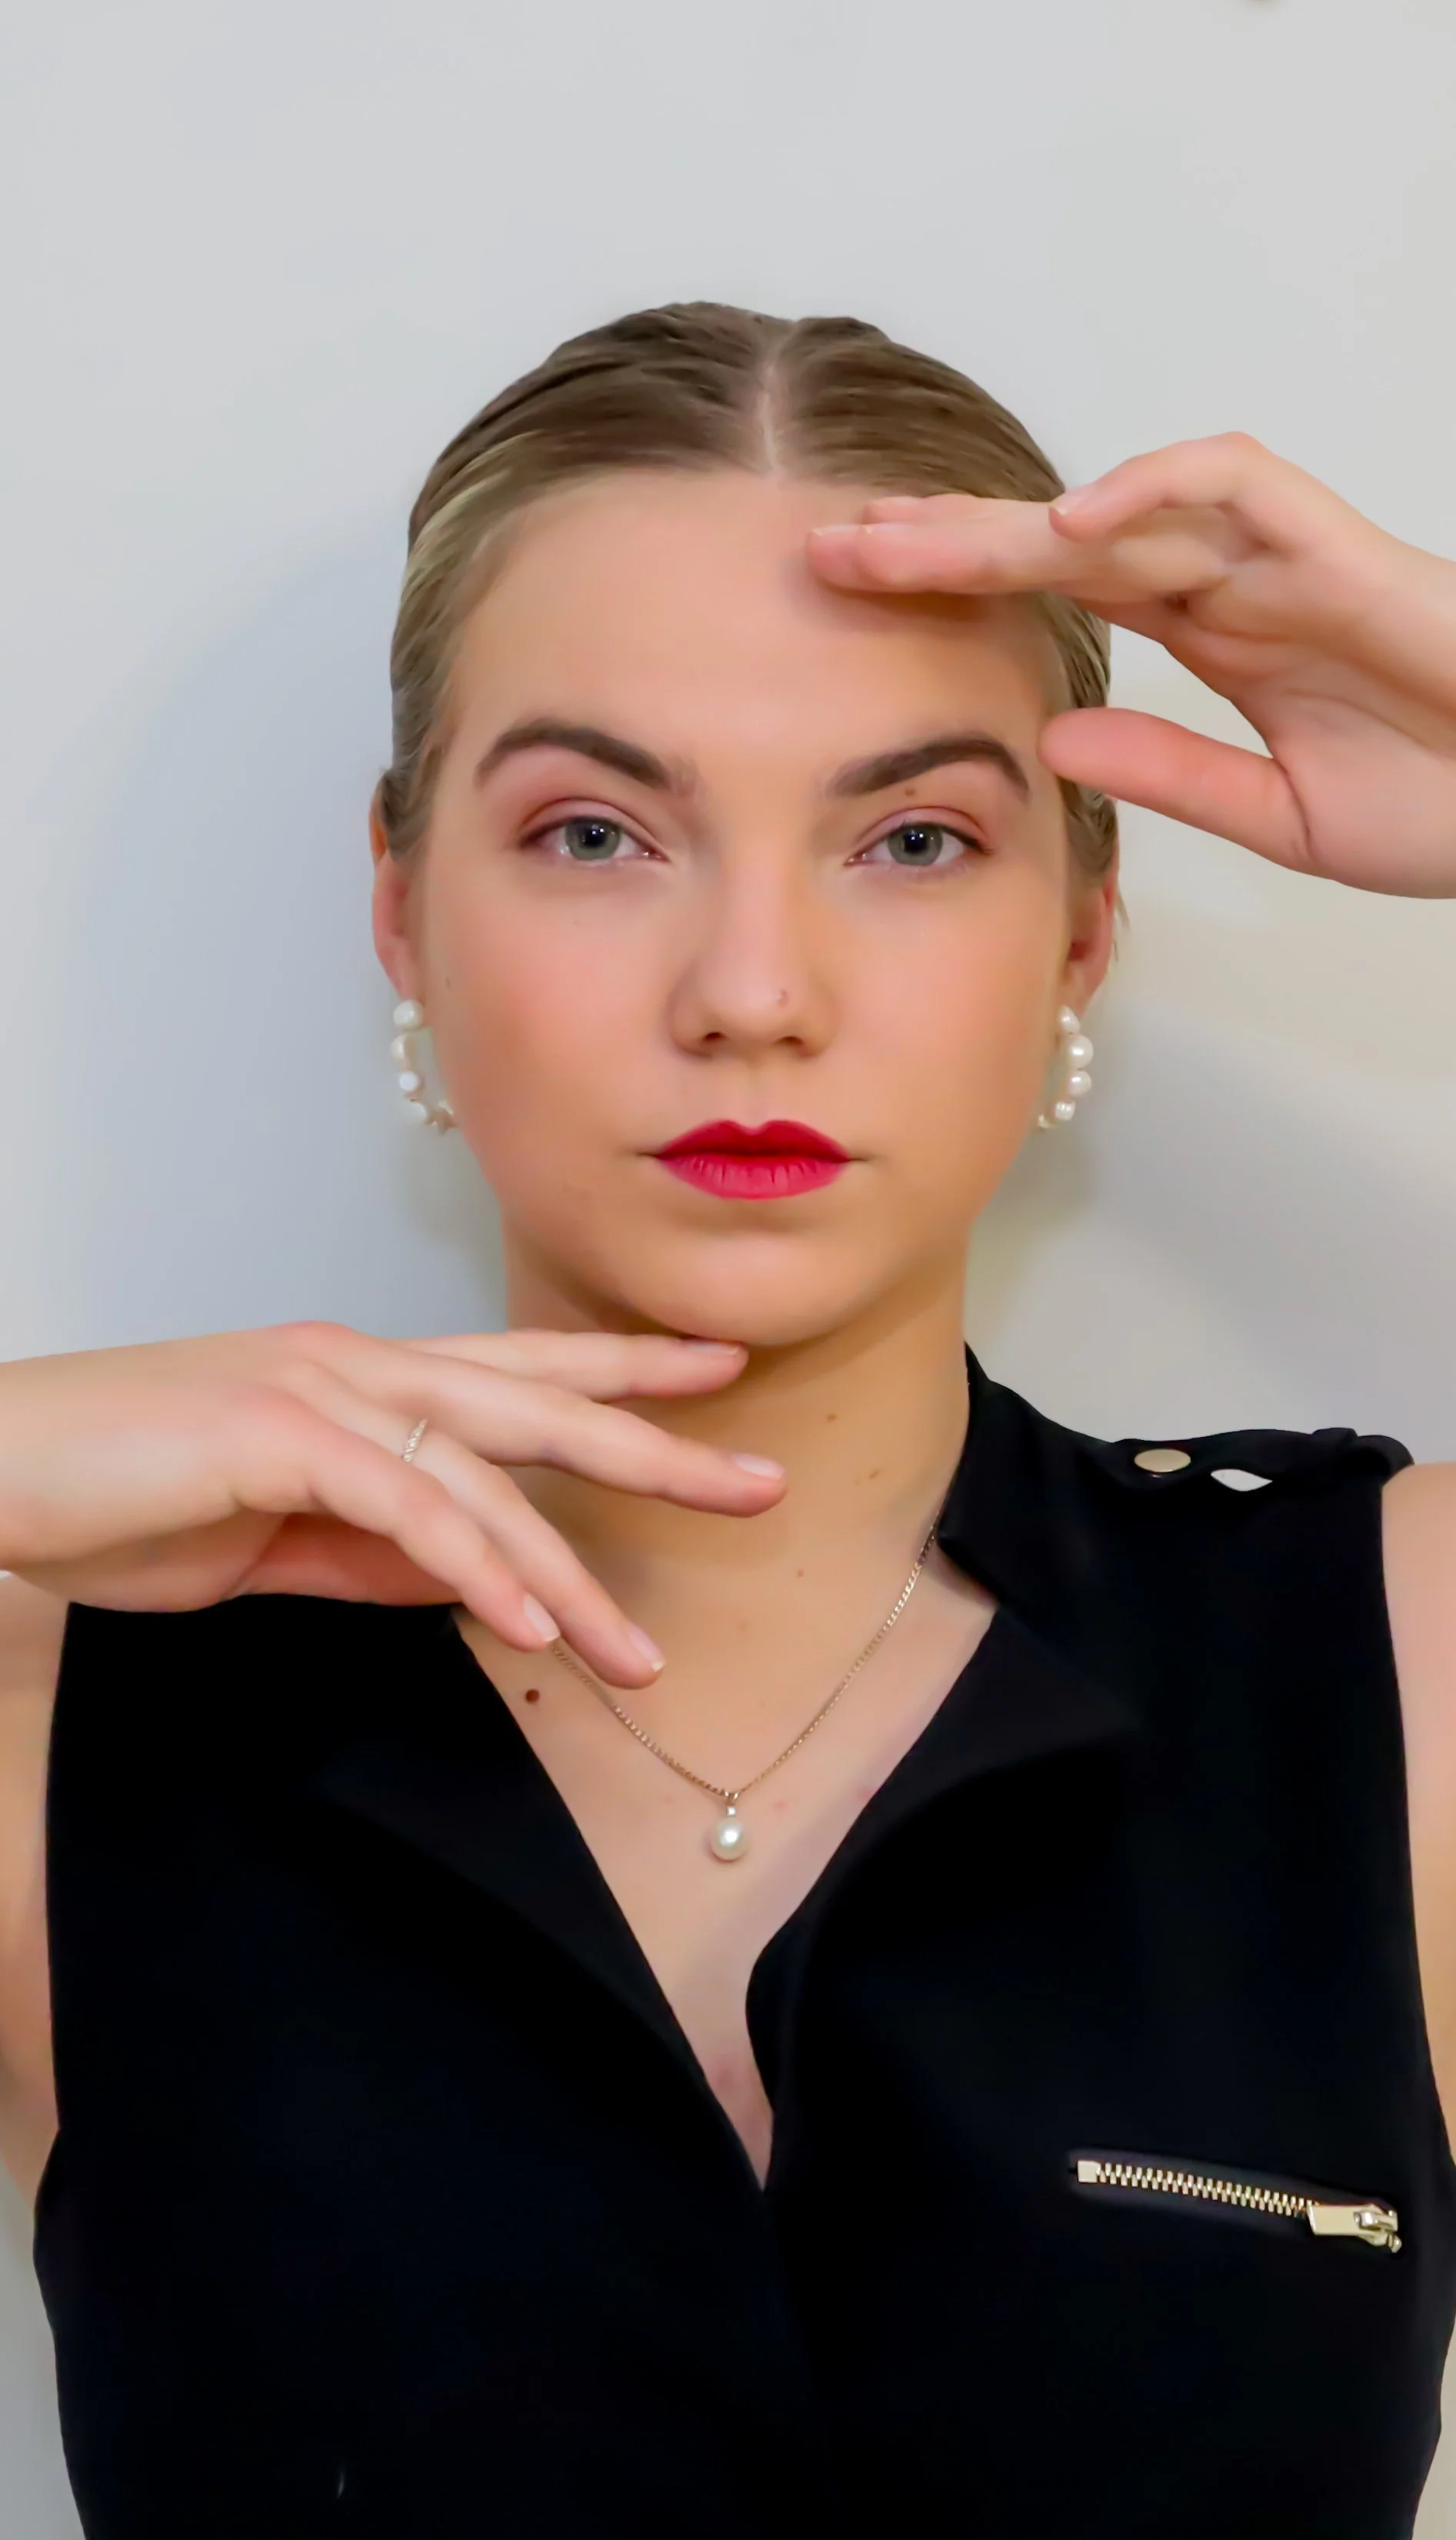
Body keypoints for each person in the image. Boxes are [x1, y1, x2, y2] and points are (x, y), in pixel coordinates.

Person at [0, 300, 1452, 2538]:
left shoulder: (1389, 1662)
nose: (751, 991)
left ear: (1082, 930)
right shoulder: (53, 1712)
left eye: (912, 841)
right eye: (595, 833)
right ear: (402, 901)